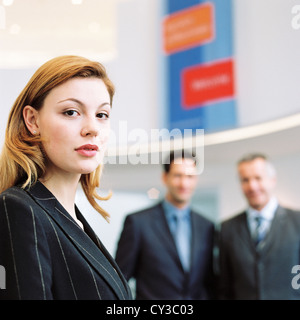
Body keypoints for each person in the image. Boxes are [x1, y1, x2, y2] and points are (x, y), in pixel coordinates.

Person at [0, 55, 132, 300]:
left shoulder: (73, 218)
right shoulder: (19, 209)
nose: (92, 128)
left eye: (102, 115)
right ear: (32, 120)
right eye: (71, 112)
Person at [115, 150, 216, 300]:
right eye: (178, 175)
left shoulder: (206, 226)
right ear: (165, 177)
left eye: (190, 176)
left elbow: (209, 282)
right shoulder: (138, 223)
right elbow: (119, 280)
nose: (184, 183)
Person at [218, 153, 300, 300]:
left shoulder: (297, 221)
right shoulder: (227, 229)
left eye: (258, 178)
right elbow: (225, 285)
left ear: (272, 180)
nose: (252, 186)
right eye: (245, 180)